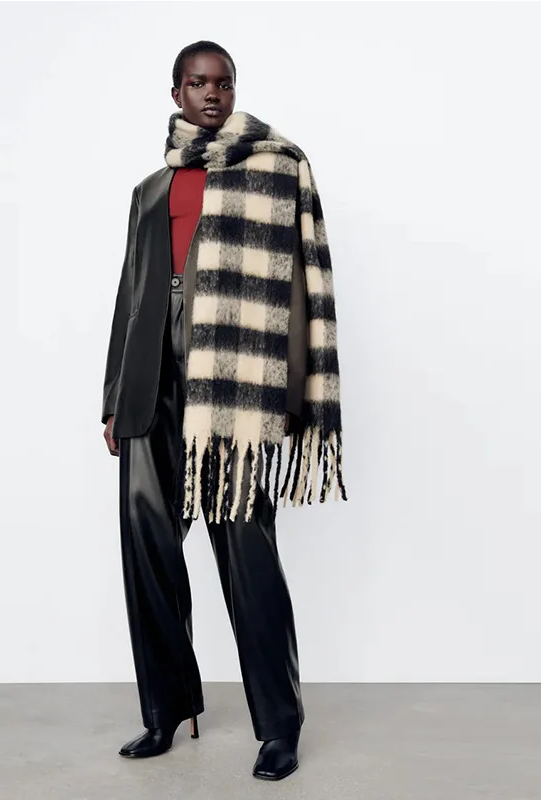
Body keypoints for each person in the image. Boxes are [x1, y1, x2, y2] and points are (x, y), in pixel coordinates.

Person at [101, 39, 346, 782]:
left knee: (247, 551)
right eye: (198, 82)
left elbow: (300, 280)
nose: (212, 94)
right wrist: (113, 397)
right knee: (148, 549)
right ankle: (167, 709)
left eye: (224, 83)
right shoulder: (151, 190)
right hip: (154, 381)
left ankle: (279, 726)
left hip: (232, 386)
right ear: (176, 92)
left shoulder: (273, 171)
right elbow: (132, 293)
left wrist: (291, 391)